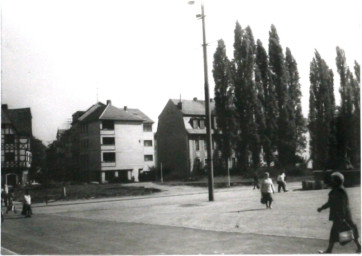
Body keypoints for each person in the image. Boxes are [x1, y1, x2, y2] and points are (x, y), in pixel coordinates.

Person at [317, 172, 361, 253]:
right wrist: (322, 208)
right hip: (343, 215)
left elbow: (342, 204)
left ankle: (329, 250)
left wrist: (342, 217)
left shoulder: (339, 191)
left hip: (341, 215)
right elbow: (330, 202)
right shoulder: (337, 190)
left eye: (332, 180)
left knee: (338, 231)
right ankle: (359, 247)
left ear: (336, 181)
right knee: (350, 229)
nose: (330, 181)